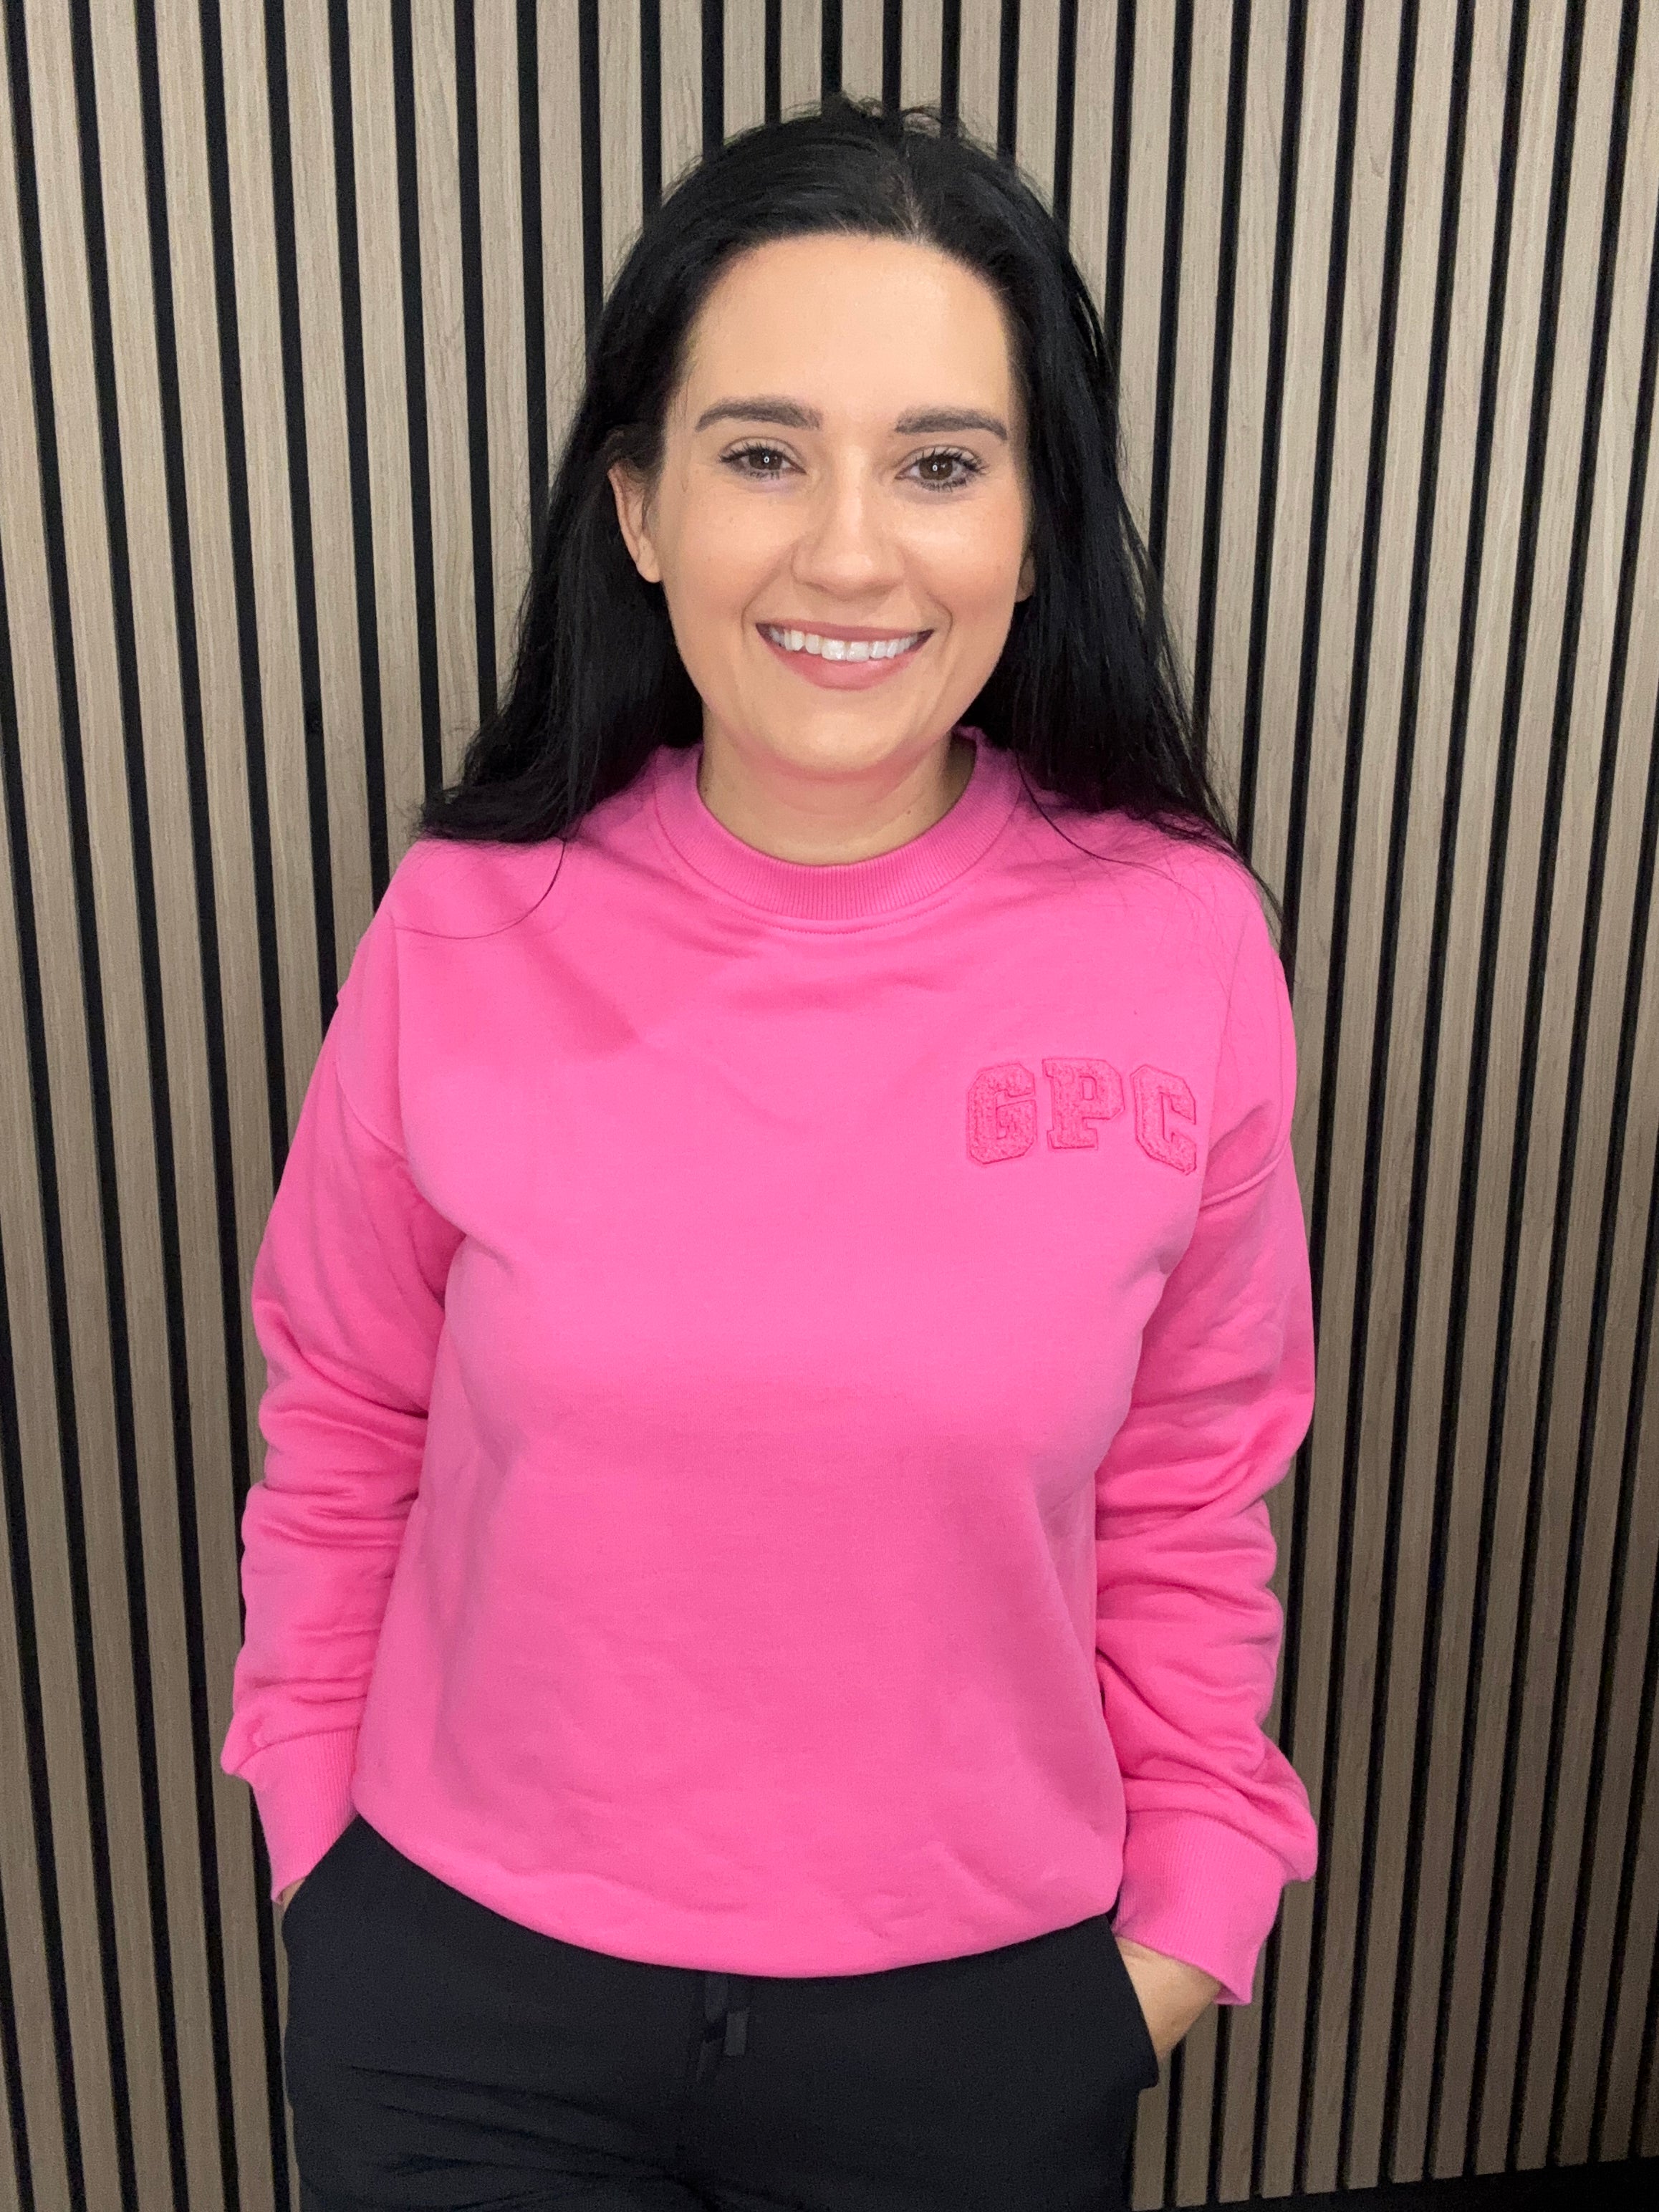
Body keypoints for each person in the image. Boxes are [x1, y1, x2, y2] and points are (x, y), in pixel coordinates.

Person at [222, 95, 1318, 2212]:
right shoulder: (465, 922)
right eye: (760, 454)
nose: (847, 553)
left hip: (977, 2031)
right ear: (638, 506)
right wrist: (315, 1842)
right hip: (462, 2010)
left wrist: (1183, 1925)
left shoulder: (1178, 941)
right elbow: (344, 1414)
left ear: (1037, 526)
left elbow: (1193, 1484)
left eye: (941, 463)